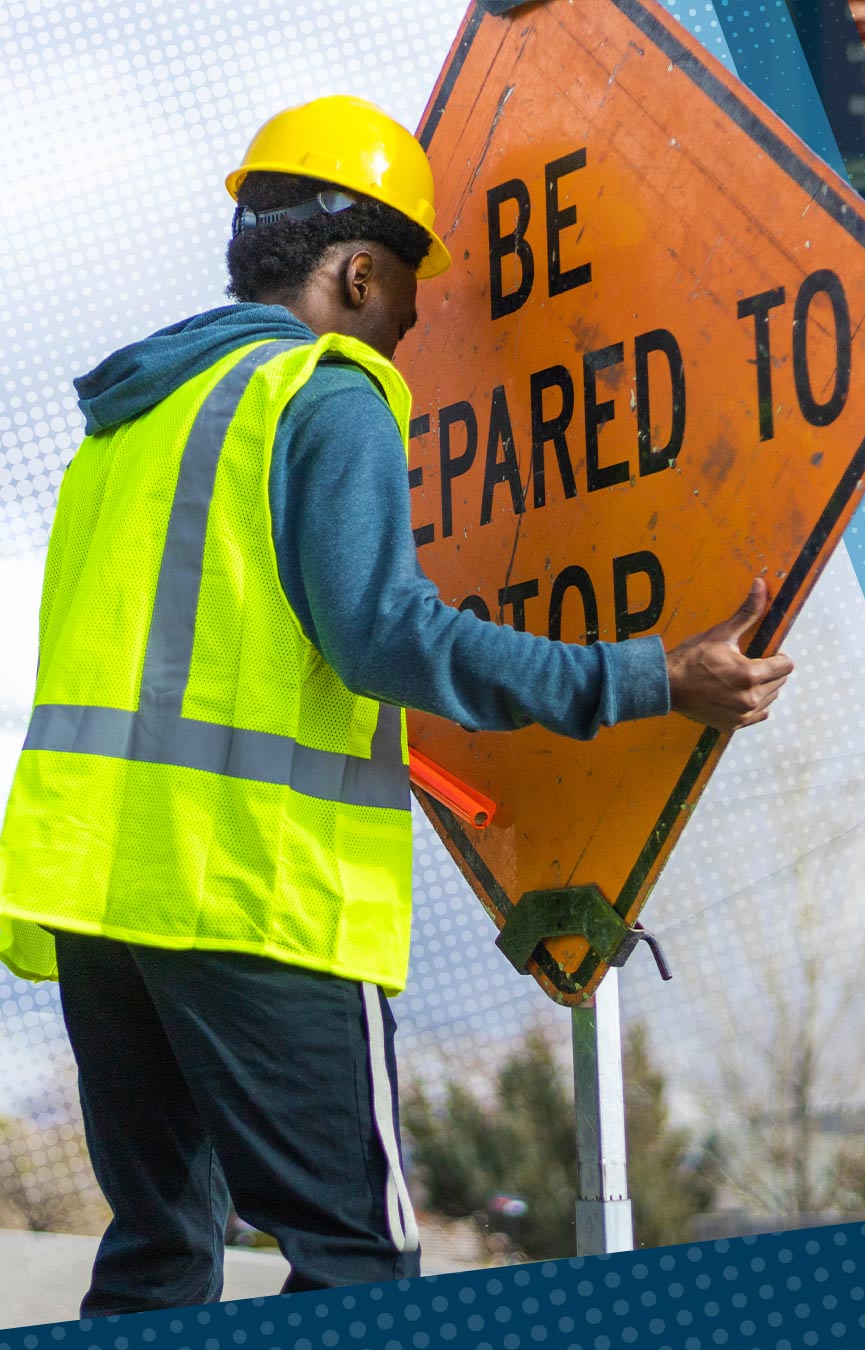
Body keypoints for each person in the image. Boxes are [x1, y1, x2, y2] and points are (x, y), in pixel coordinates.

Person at [0, 96, 791, 1312]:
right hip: (250, 895)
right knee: (362, 1265)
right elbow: (385, 636)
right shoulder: (325, 393)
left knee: (160, 1252)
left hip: (98, 893)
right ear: (361, 271)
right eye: (408, 304)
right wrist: (648, 676)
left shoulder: (134, 422)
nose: (411, 336)